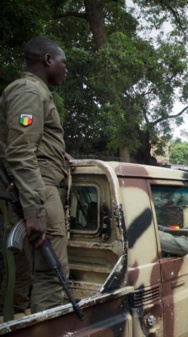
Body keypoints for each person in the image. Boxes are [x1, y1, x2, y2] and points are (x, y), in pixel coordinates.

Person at [0, 36, 71, 314]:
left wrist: (59, 154)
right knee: (50, 274)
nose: (66, 69)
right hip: (37, 190)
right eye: (64, 62)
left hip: (34, 187)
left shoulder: (35, 92)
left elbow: (29, 141)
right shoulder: (30, 91)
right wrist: (35, 209)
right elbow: (19, 151)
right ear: (48, 60)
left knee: (28, 273)